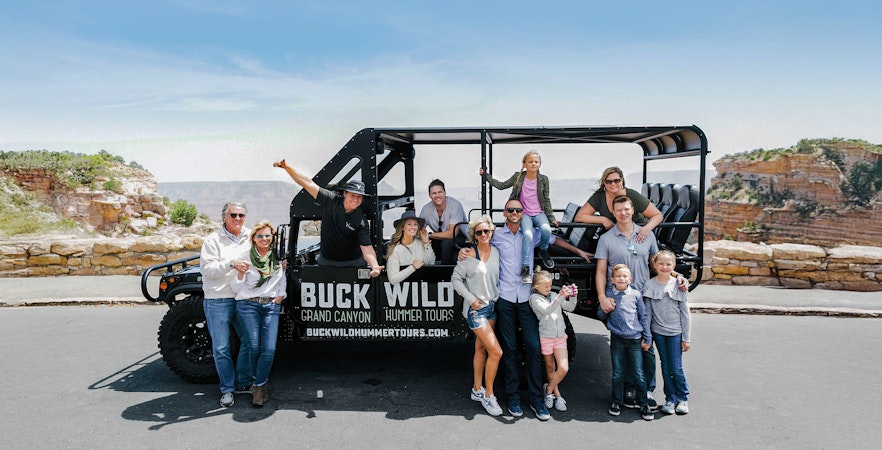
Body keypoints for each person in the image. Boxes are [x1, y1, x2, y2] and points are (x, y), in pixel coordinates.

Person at [461, 199, 591, 421]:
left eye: (518, 210)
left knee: (532, 346)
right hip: (505, 298)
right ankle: (512, 397)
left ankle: (536, 399)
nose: (514, 213)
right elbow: (479, 245)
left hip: (527, 299)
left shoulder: (530, 234)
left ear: (523, 214)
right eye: (510, 209)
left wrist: (578, 250)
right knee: (510, 348)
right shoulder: (497, 235)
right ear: (505, 213)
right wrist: (464, 252)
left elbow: (555, 240)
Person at [273, 159, 383, 276]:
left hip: (353, 263)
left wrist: (374, 266)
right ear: (345, 193)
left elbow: (367, 248)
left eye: (359, 197)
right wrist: (287, 167)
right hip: (326, 261)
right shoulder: (331, 200)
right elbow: (307, 183)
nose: (355, 200)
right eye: (352, 195)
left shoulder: (360, 221)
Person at [200, 202, 253, 408]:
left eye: (241, 215)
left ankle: (243, 383)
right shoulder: (212, 240)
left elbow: (261, 258)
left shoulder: (250, 236)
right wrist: (231, 263)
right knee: (221, 347)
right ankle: (227, 390)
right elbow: (207, 270)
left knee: (248, 341)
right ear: (225, 217)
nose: (238, 219)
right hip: (218, 299)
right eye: (234, 215)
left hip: (242, 297)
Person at [451, 215, 504, 417]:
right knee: (496, 352)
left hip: (492, 307)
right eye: (479, 232)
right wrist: (471, 298)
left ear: (491, 232)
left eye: (486, 231)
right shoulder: (468, 255)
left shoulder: (497, 252)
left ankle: (476, 389)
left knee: (481, 349)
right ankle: (489, 395)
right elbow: (455, 279)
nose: (483, 235)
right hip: (476, 310)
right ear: (474, 235)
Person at [230, 220, 286, 407]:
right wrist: (239, 273)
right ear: (253, 238)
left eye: (267, 236)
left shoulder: (277, 259)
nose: (264, 239)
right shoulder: (245, 258)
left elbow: (281, 281)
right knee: (254, 347)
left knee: (269, 349)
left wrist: (280, 296)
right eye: (260, 236)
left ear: (272, 238)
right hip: (248, 306)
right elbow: (236, 288)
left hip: (270, 305)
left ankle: (258, 384)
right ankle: (259, 386)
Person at [480, 150, 558, 282]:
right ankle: (525, 268)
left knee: (546, 230)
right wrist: (486, 176)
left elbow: (546, 199)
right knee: (527, 235)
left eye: (536, 162)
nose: (533, 164)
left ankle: (543, 250)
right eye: (530, 161)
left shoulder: (543, 179)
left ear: (540, 164)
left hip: (539, 213)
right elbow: (501, 185)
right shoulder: (519, 177)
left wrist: (551, 218)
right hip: (525, 213)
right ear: (524, 164)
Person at [597, 264, 654, 421]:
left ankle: (644, 404)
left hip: (635, 339)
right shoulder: (609, 294)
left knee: (638, 373)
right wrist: (606, 307)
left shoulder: (635, 295)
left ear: (630, 279)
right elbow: (601, 315)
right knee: (617, 373)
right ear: (612, 279)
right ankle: (616, 401)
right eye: (618, 276)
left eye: (625, 276)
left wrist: (647, 337)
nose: (621, 278)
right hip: (617, 339)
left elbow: (643, 316)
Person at [644, 250, 692, 416]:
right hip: (658, 332)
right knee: (665, 366)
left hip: (675, 332)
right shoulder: (649, 285)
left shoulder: (679, 285)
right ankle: (670, 399)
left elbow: (685, 314)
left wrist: (686, 338)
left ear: (674, 266)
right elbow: (648, 313)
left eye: (668, 264)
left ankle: (683, 397)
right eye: (661, 264)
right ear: (655, 265)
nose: (664, 267)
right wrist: (648, 335)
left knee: (676, 367)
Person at [529, 268, 577, 413]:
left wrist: (573, 295)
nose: (549, 289)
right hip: (546, 337)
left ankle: (548, 389)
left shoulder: (554, 295)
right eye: (546, 287)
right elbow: (547, 310)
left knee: (563, 368)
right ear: (536, 287)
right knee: (550, 368)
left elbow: (570, 307)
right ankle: (556, 395)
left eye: (550, 286)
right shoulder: (534, 299)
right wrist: (561, 296)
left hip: (560, 337)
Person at [574, 167, 663, 244]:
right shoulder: (599, 196)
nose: (613, 184)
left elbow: (657, 215)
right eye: (609, 181)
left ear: (622, 180)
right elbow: (580, 216)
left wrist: (646, 229)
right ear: (604, 183)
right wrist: (603, 219)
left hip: (636, 236)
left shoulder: (633, 196)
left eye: (616, 180)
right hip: (613, 237)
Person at [418, 179, 467, 264]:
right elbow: (419, 230)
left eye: (440, 192)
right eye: (434, 193)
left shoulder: (455, 205)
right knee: (422, 243)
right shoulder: (425, 209)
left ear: (445, 193)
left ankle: (444, 272)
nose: (437, 195)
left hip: (461, 237)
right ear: (429, 195)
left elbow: (453, 233)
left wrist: (429, 235)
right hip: (439, 237)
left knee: (447, 243)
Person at [386, 210, 435, 284]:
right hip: (403, 291)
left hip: (423, 287)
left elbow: (431, 263)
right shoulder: (395, 249)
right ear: (402, 227)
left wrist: (426, 243)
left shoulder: (421, 243)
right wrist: (413, 267)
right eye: (409, 224)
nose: (413, 227)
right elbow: (393, 279)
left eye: (415, 224)